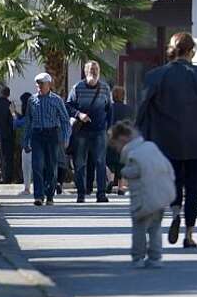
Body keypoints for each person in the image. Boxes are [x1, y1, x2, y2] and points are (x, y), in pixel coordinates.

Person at [138, 31, 197, 248]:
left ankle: (175, 213)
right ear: (192, 51)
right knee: (194, 187)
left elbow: (143, 110)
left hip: (166, 141)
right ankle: (189, 234)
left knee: (173, 182)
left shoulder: (156, 76)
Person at [110, 121, 175, 268]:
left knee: (139, 229)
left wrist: (124, 172)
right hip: (161, 197)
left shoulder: (134, 155)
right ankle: (156, 257)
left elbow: (134, 171)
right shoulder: (151, 147)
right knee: (155, 228)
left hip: (143, 200)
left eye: (116, 147)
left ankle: (138, 257)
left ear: (122, 140)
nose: (118, 150)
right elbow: (166, 167)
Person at [67, 60, 115, 202]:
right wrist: (79, 115)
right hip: (81, 132)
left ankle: (101, 194)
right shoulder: (77, 87)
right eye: (91, 70)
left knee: (100, 162)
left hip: (99, 131)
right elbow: (68, 106)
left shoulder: (105, 88)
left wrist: (109, 128)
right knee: (80, 163)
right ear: (85, 72)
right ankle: (81, 194)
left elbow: (110, 110)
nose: (93, 73)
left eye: (96, 71)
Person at [23, 73, 70, 205]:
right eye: (37, 84)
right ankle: (38, 196)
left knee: (51, 167)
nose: (39, 86)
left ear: (49, 84)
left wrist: (66, 138)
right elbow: (28, 122)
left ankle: (49, 194)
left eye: (42, 84)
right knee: (37, 165)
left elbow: (65, 120)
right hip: (37, 134)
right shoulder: (32, 100)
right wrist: (25, 141)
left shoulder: (56, 100)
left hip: (52, 134)